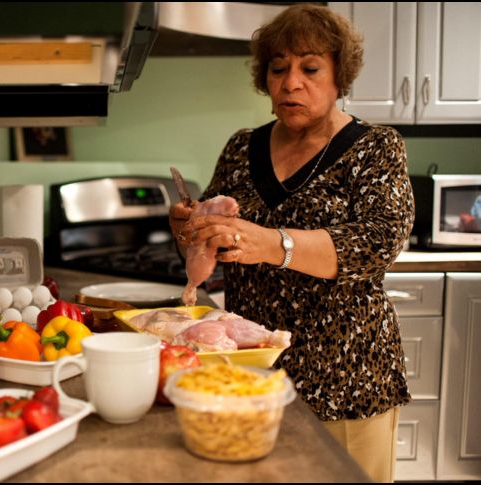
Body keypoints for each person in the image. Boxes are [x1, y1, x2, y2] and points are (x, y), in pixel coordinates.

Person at [169, 4, 414, 483]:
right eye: (278, 69)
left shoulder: (375, 147)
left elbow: (378, 241)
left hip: (346, 379)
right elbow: (217, 248)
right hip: (251, 375)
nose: (291, 82)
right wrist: (195, 230)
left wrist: (271, 243)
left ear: (340, 75)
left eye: (310, 67)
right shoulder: (243, 146)